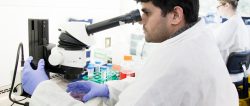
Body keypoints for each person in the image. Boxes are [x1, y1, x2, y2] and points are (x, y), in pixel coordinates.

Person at [22, 0, 239, 106]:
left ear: (175, 15)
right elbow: (149, 86)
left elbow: (158, 86)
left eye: (145, 12)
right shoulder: (194, 39)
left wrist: (42, 91)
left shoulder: (178, 63)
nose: (139, 20)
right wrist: (108, 88)